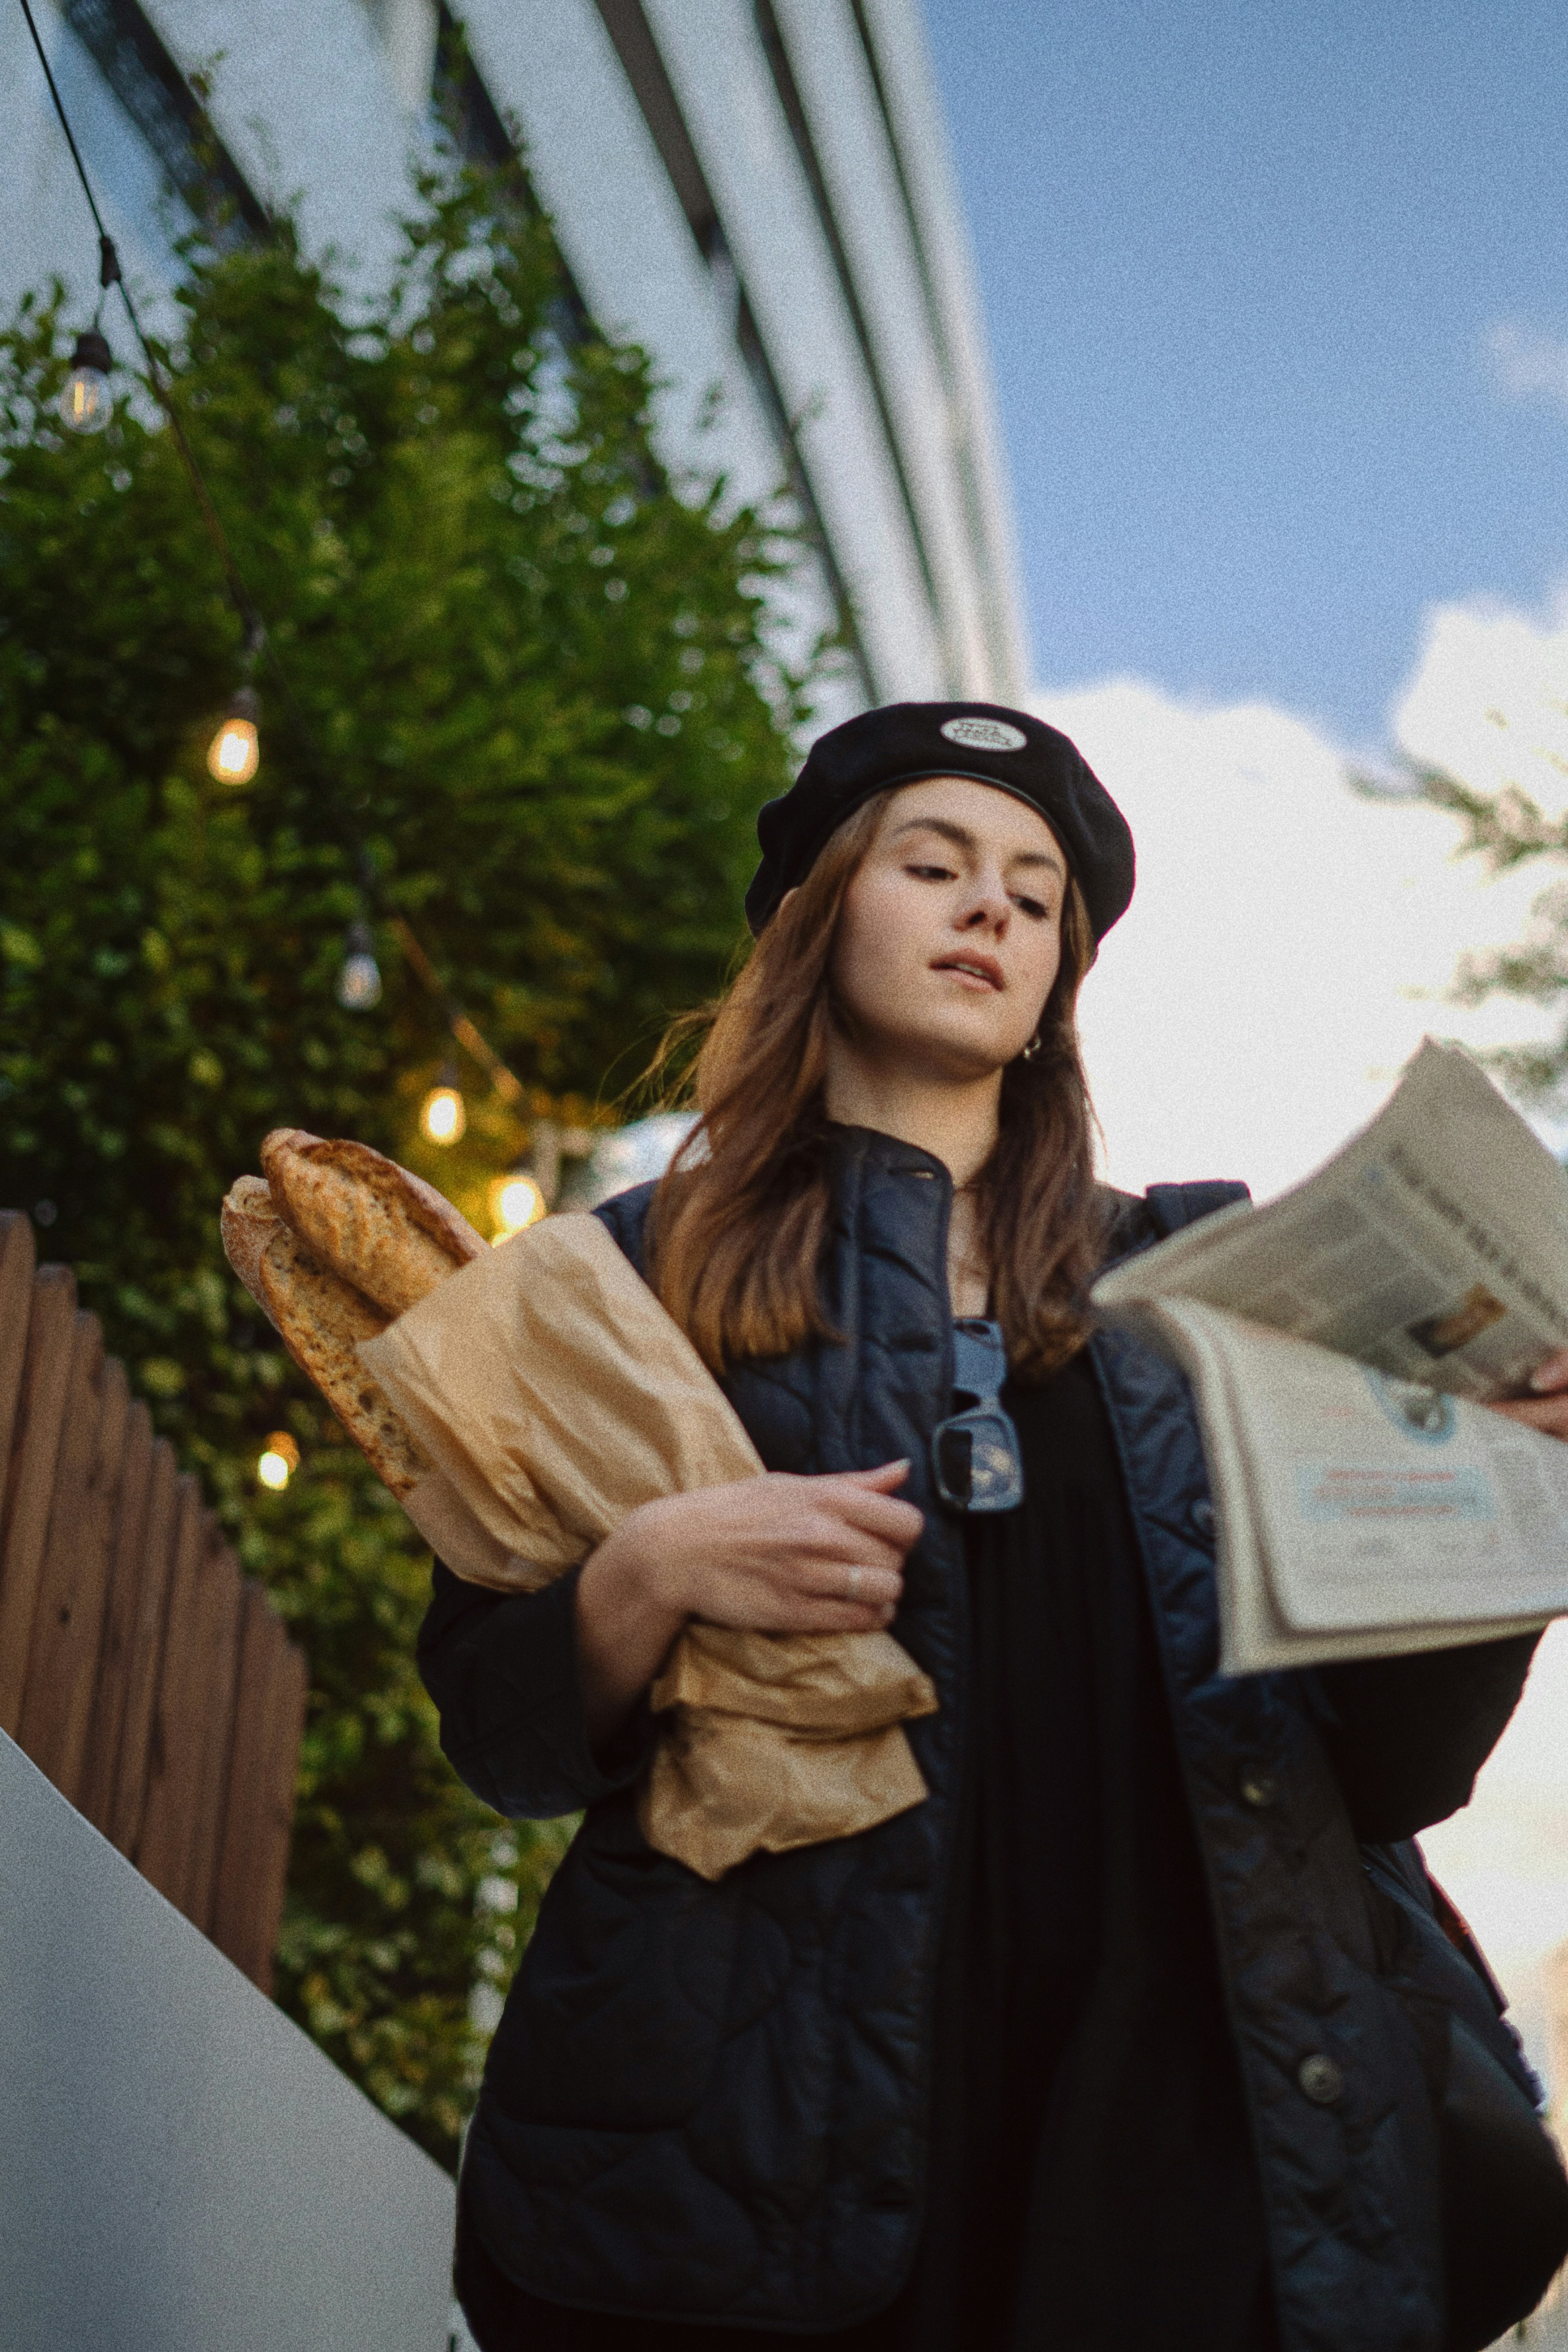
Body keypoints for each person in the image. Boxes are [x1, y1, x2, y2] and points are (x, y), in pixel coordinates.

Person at [419, 701, 1568, 2352]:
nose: (992, 913)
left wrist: (1499, 1522)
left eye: (1037, 899)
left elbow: (1380, 1774)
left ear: (1055, 988)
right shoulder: (632, 1273)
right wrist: (652, 1569)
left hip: (1178, 2127)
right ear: (823, 917)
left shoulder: (1206, 1297)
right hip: (766, 2119)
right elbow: (496, 1724)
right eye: (936, 865)